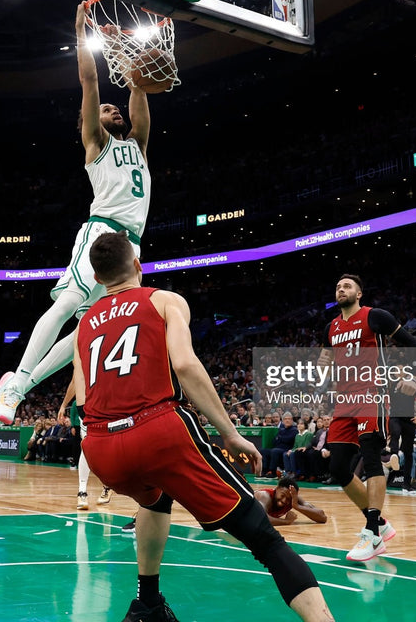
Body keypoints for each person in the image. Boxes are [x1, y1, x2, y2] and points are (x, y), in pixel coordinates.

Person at [72, 231, 333, 622]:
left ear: (96, 279)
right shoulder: (163, 300)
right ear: (138, 267)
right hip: (156, 431)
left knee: (155, 498)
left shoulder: (84, 325)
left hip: (101, 448)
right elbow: (186, 364)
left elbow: (81, 399)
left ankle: (148, 603)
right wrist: (229, 431)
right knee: (264, 538)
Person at [0, 0, 153, 426]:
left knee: (85, 332)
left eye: (116, 109)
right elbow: (89, 77)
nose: (112, 108)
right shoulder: (96, 144)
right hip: (101, 234)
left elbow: (137, 92)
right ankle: (15, 387)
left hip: (131, 245)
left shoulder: (138, 145)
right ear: (90, 122)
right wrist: (82, 30)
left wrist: (133, 62)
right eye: (104, 108)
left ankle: (14, 390)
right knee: (69, 305)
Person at [320, 273, 416, 563]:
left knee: (372, 458)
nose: (341, 289)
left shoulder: (376, 317)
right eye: (338, 286)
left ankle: (372, 533)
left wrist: (410, 375)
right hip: (344, 399)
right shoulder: (330, 327)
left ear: (359, 293)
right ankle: (380, 522)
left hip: (371, 392)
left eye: (347, 286)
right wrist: (322, 365)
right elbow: (325, 364)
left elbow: (413, 344)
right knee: (338, 468)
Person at [57, 378, 113, 510]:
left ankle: (107, 485)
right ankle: (82, 492)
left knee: (105, 448)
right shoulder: (80, 360)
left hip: (108, 403)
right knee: (86, 446)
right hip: (87, 408)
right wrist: (64, 405)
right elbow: (75, 381)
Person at [255, 476, 328, 526]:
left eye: (288, 499)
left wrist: (297, 506)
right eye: (282, 495)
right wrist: (286, 521)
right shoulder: (264, 495)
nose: (284, 500)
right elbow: (260, 518)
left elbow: (322, 517)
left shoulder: (293, 497)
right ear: (277, 488)